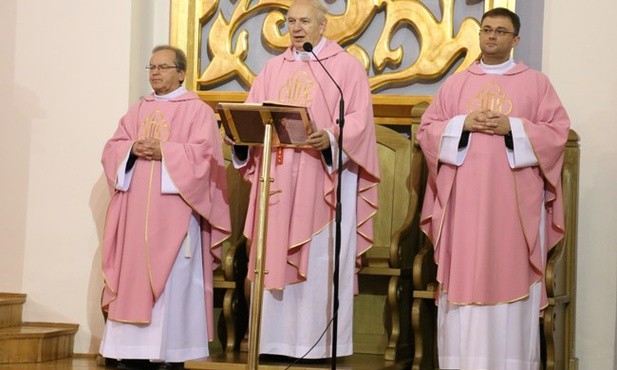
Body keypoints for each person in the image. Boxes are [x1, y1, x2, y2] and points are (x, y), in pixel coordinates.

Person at [416, 8, 571, 370]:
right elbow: (428, 131)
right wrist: (462, 123)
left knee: (511, 276)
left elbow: (557, 133)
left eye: (501, 31)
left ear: (515, 40)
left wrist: (513, 128)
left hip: (514, 207)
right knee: (464, 279)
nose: (491, 37)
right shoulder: (456, 84)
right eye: (486, 30)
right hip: (463, 206)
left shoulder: (536, 84)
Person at [228, 0, 379, 359]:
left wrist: (331, 138)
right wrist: (238, 136)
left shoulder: (344, 68)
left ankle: (318, 347)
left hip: (320, 179)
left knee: (319, 260)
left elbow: (358, 119)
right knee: (272, 251)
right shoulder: (272, 68)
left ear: (323, 26)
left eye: (305, 21)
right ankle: (272, 343)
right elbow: (253, 112)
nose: (296, 28)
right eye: (291, 21)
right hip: (277, 177)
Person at [99, 45, 231, 369]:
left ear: (181, 73)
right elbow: (112, 148)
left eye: (163, 67)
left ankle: (169, 354)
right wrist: (131, 149)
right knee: (133, 279)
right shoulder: (138, 109)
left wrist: (166, 152)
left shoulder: (197, 110)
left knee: (172, 283)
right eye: (152, 67)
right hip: (134, 217)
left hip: (176, 215)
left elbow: (205, 158)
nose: (155, 73)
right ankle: (129, 352)